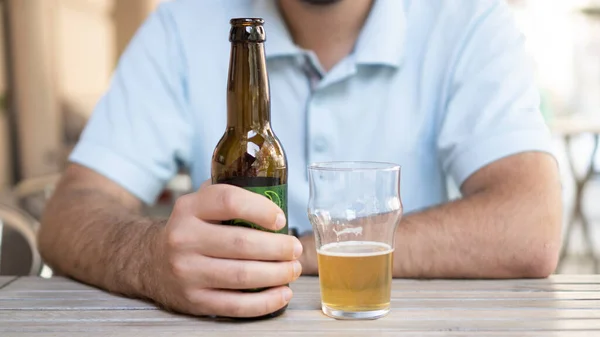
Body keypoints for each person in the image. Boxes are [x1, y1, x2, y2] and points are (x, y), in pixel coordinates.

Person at [39, 0, 562, 318]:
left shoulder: (469, 19)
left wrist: (284, 258)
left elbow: (532, 226)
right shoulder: (179, 26)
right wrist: (149, 257)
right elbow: (68, 214)